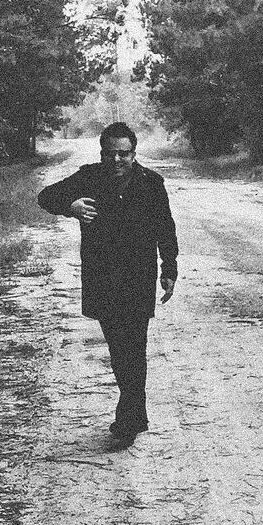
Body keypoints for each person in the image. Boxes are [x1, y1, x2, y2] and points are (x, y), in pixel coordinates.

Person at [38, 122, 178, 446]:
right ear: (102, 153)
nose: (116, 160)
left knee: (135, 348)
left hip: (139, 277)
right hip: (103, 278)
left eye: (123, 154)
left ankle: (127, 422)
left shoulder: (151, 184)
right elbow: (46, 197)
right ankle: (136, 414)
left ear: (134, 154)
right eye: (110, 154)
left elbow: (165, 229)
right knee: (119, 350)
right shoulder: (88, 178)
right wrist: (70, 207)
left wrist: (169, 269)